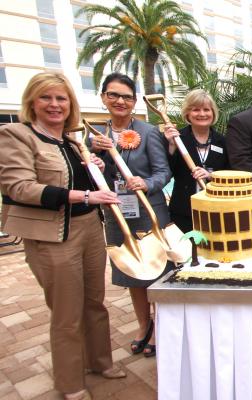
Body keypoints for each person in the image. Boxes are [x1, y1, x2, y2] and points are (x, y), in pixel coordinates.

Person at [0, 72, 125, 400]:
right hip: (54, 235)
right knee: (67, 313)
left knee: (95, 303)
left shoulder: (72, 141)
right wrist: (84, 197)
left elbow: (79, 179)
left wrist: (91, 167)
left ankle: (100, 362)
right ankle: (70, 383)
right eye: (46, 98)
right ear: (32, 102)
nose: (55, 105)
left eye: (61, 98)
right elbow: (19, 187)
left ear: (70, 103)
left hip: (89, 230)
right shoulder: (17, 135)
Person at [90, 72, 172, 358]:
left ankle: (161, 325)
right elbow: (93, 177)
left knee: (158, 271)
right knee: (132, 274)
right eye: (113, 95)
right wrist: (94, 161)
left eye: (126, 96)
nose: (120, 101)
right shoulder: (95, 137)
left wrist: (147, 183)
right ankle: (143, 325)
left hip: (150, 212)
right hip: (117, 214)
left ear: (135, 101)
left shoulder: (148, 132)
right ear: (103, 98)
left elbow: (163, 171)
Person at [162, 89, 228, 233]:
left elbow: (230, 172)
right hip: (184, 211)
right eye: (196, 110)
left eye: (206, 109)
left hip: (215, 209)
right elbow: (167, 173)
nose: (202, 114)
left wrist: (212, 176)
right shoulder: (177, 139)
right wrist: (172, 146)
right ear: (187, 113)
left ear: (213, 113)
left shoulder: (223, 141)